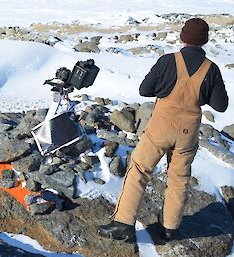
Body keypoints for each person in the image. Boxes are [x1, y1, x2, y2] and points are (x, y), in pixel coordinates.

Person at [97, 18, 229, 244]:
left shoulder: (168, 61)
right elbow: (221, 105)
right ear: (204, 41)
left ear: (183, 37)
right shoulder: (211, 69)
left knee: (139, 169)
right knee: (179, 178)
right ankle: (170, 228)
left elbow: (144, 89)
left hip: (161, 126)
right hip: (188, 131)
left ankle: (123, 223)